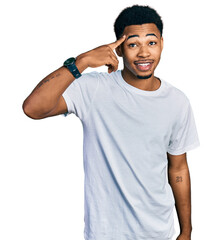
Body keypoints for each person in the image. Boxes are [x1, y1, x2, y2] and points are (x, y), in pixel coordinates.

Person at [23, 5, 200, 240]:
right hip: (105, 233)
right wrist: (82, 61)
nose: (144, 53)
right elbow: (33, 108)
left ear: (162, 43)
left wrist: (186, 231)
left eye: (152, 42)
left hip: (158, 233)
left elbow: (178, 168)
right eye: (133, 44)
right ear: (118, 48)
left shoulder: (177, 101)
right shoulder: (93, 88)